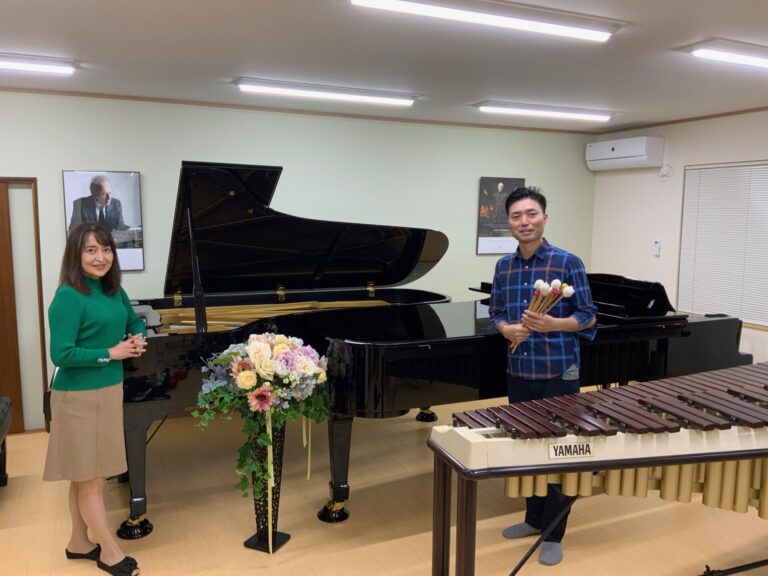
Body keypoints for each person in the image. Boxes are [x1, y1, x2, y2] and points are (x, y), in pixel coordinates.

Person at [489, 186, 596, 567]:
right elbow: (497, 311)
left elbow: (588, 316)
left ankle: (554, 533)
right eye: (516, 216)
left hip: (558, 371)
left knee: (557, 451)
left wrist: (553, 324)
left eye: (531, 214)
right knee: (526, 447)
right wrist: (506, 329)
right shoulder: (504, 267)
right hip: (520, 370)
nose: (524, 222)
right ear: (509, 223)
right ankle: (534, 519)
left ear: (544, 218)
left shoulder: (568, 262)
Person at [43, 222, 147, 576]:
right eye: (91, 250)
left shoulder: (113, 289)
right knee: (91, 480)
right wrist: (111, 353)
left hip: (109, 390)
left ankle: (79, 542)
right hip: (77, 397)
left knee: (83, 477)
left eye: (106, 249)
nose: (101, 257)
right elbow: (61, 354)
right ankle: (110, 552)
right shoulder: (67, 297)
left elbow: (134, 321)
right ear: (76, 254)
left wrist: (137, 338)